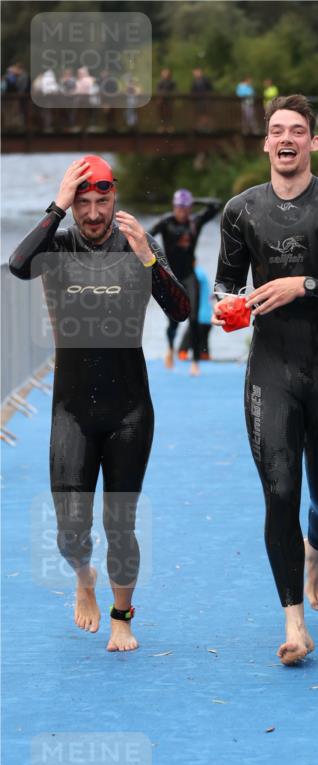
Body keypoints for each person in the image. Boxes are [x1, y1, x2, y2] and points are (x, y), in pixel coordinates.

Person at [213, 94, 318, 665]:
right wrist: (228, 306)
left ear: (313, 142)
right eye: (277, 130)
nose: (286, 138)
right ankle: (294, 624)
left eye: (297, 130)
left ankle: (317, 548)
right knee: (280, 492)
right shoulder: (240, 211)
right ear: (265, 143)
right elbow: (226, 285)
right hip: (271, 368)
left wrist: (305, 285)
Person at [9, 155, 190, 651]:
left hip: (130, 410)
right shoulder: (57, 245)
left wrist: (149, 258)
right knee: (70, 531)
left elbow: (181, 310)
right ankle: (83, 576)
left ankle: (121, 618)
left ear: (115, 198)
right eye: (82, 203)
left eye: (101, 202)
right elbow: (18, 266)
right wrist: (55, 208)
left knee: (121, 523)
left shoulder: (137, 243)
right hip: (72, 410)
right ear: (72, 206)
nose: (92, 213)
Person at [149, 189, 222, 368]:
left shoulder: (195, 222)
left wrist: (194, 199)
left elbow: (216, 205)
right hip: (171, 278)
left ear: (189, 208)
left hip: (189, 276)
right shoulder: (166, 222)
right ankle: (170, 348)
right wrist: (153, 261)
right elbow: (146, 237)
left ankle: (195, 361)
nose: (181, 211)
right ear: (174, 207)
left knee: (194, 318)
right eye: (178, 207)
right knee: (173, 322)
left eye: (185, 208)